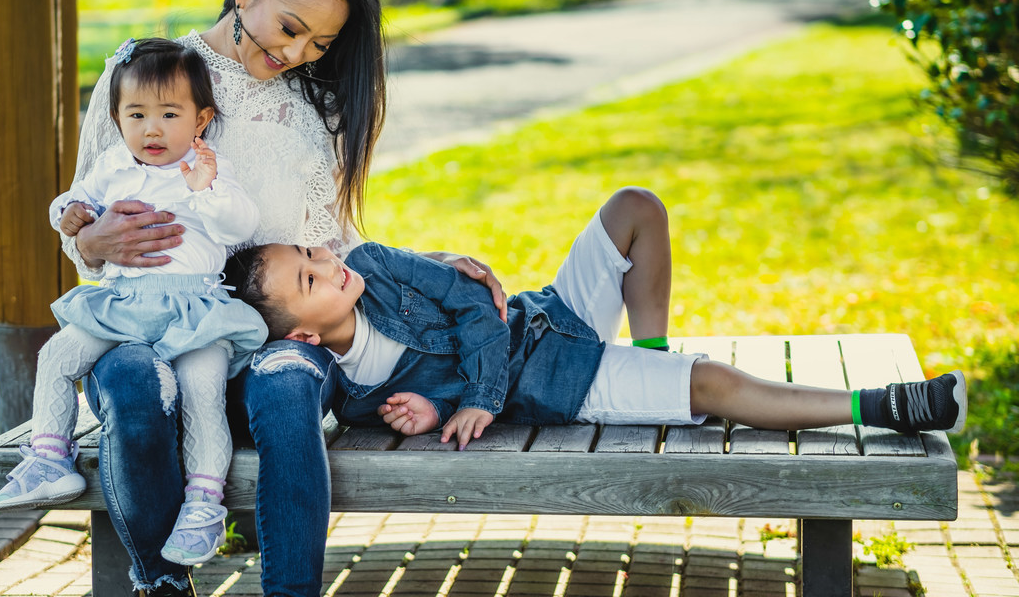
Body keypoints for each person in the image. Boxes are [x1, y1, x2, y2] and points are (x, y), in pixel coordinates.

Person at [60, 0, 639, 597]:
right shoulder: (142, 73)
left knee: (287, 381)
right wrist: (89, 243)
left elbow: (329, 240)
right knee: (131, 379)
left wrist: (423, 260)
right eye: (289, 28)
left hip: (268, 340)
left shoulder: (314, 106)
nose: (296, 53)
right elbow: (82, 213)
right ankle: (161, 586)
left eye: (319, 43)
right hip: (146, 321)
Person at [224, 232, 968, 450]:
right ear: (302, 333)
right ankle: (883, 405)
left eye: (312, 253)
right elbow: (447, 403)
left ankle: (652, 362)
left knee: (634, 208)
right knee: (712, 384)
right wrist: (432, 413)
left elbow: (476, 307)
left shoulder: (373, 263)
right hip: (561, 379)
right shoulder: (357, 399)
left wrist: (477, 395)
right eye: (310, 277)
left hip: (546, 314)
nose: (327, 263)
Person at [0, 37, 267, 569]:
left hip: (195, 310)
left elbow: (240, 226)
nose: (152, 130)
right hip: (123, 304)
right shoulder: (114, 165)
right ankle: (50, 456)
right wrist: (69, 214)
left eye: (169, 114)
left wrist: (205, 190)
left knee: (201, 390)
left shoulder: (209, 169)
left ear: (201, 119)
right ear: (117, 118)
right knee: (57, 355)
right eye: (136, 115)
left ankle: (204, 503)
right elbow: (72, 198)